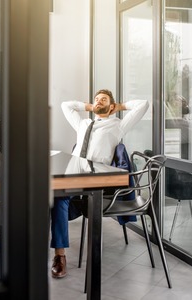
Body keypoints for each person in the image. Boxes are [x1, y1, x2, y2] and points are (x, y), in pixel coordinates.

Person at [50, 89, 149, 278]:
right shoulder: (83, 123)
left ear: (111, 106)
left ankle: (57, 244)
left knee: (58, 199)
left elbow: (143, 104)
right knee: (57, 198)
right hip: (74, 173)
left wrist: (118, 107)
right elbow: (66, 106)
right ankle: (59, 255)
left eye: (103, 99)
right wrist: (89, 106)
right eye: (96, 99)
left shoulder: (118, 125)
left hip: (97, 179)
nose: (98, 102)